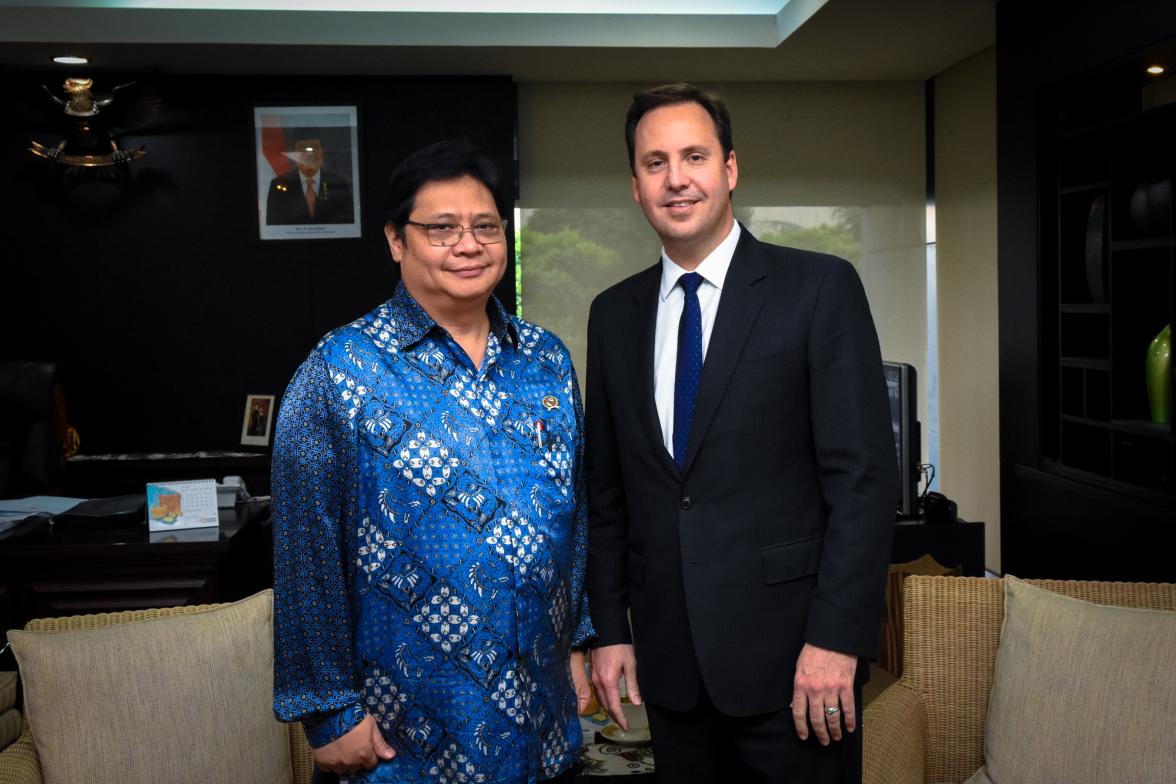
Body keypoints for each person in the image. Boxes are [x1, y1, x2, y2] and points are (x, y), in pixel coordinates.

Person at [586, 83, 897, 783]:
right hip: (670, 671)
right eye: (654, 162)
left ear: (729, 169)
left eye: (694, 156)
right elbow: (606, 492)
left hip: (797, 669)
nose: (676, 178)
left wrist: (835, 641)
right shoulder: (613, 316)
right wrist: (608, 630)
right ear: (635, 186)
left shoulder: (818, 289)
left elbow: (863, 483)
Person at [272, 139, 594, 783]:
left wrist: (579, 641)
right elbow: (305, 548)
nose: (468, 245)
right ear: (397, 240)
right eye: (441, 229)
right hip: (406, 740)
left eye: (485, 227)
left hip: (543, 727)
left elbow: (574, 515)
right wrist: (330, 711)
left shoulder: (546, 361)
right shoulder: (339, 371)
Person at [266, 135, 355, 225]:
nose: (309, 153)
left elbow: (348, 223)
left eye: (314, 147)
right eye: (302, 149)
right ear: (294, 155)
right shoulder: (278, 185)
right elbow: (273, 226)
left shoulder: (339, 183)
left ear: (322, 153)